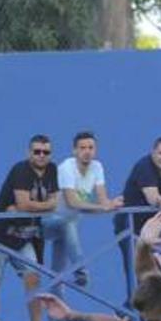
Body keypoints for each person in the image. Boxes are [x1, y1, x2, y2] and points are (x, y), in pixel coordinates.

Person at [0, 135, 56, 321]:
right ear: (29, 153)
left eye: (46, 152)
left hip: (25, 236)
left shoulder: (52, 171)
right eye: (37, 151)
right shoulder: (21, 170)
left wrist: (30, 207)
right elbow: (25, 204)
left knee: (33, 278)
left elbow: (53, 202)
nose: (41, 156)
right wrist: (43, 206)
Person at [45, 131, 122, 305]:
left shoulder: (97, 167)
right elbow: (72, 202)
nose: (87, 151)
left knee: (57, 272)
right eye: (82, 148)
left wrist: (112, 204)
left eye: (91, 148)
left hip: (69, 225)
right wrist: (104, 206)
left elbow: (102, 201)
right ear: (74, 151)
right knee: (67, 222)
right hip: (48, 222)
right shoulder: (66, 167)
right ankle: (80, 270)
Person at [114, 136, 161, 270]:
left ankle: (156, 291)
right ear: (153, 153)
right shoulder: (144, 166)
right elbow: (153, 199)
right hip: (129, 224)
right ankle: (137, 291)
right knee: (137, 267)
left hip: (154, 223)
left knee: (156, 266)